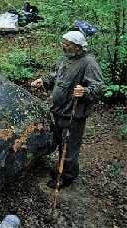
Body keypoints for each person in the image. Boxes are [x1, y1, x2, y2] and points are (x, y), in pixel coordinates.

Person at [31, 31, 105, 189]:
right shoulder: (66, 57)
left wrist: (85, 92)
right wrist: (43, 80)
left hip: (74, 114)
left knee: (69, 147)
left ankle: (67, 175)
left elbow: (99, 88)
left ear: (77, 47)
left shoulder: (88, 63)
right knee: (60, 142)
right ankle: (61, 169)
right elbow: (57, 77)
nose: (63, 46)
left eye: (66, 44)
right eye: (62, 43)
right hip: (58, 110)